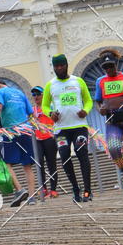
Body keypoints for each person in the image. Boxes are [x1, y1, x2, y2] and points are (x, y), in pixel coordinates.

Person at [41, 54, 93, 203]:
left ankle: (87, 190)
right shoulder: (50, 85)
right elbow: (45, 105)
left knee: (82, 153)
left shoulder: (78, 81)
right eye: (56, 66)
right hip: (61, 129)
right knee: (64, 156)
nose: (59, 68)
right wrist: (50, 114)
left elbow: (88, 101)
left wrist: (86, 111)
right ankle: (75, 189)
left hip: (79, 126)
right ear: (53, 67)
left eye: (61, 65)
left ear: (66, 65)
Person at [94, 49, 123, 199]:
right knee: (114, 149)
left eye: (111, 65)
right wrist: (100, 109)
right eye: (106, 67)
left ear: (116, 64)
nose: (109, 69)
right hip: (112, 121)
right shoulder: (100, 81)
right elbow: (98, 101)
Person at [0, 79, 36, 207]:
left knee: (6, 163)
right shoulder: (19, 93)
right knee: (27, 166)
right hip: (26, 131)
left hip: (10, 132)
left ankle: (19, 190)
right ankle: (32, 197)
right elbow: (31, 113)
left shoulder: (0, 92)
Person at [31, 87, 58, 197]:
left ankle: (53, 189)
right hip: (37, 140)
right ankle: (43, 189)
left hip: (50, 138)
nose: (36, 96)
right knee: (39, 164)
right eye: (34, 94)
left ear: (43, 95)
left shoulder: (50, 107)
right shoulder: (32, 110)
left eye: (38, 94)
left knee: (52, 164)